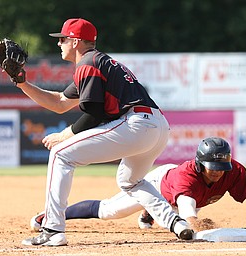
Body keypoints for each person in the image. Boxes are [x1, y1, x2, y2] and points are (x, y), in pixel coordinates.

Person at [13, 18, 193, 246]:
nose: (59, 44)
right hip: (157, 125)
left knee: (60, 154)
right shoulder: (97, 62)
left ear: (76, 41)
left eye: (63, 39)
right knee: (131, 181)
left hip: (136, 123)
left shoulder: (88, 63)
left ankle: (52, 229)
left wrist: (65, 134)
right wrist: (21, 83)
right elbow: (59, 102)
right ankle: (177, 224)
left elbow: (95, 113)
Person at [30, 137, 246, 233]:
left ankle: (147, 215)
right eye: (211, 168)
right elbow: (189, 219)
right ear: (199, 163)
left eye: (220, 169)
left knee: (172, 213)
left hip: (185, 196)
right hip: (159, 184)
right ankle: (49, 215)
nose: (217, 173)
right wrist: (200, 228)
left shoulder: (233, 170)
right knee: (108, 211)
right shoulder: (188, 177)